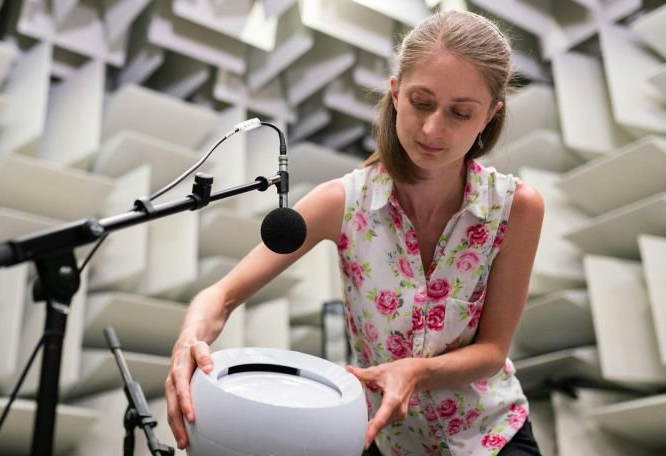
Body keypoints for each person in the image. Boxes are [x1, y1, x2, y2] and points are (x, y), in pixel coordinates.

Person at [164, 10, 545, 456]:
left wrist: (416, 371)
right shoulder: (341, 202)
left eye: (460, 113)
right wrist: (190, 340)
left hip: (492, 435)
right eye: (421, 102)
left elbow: (493, 351)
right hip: (385, 441)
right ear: (396, 92)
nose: (433, 129)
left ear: (489, 116)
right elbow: (220, 295)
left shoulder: (516, 207)